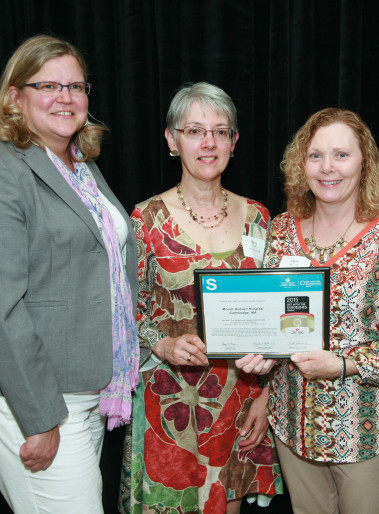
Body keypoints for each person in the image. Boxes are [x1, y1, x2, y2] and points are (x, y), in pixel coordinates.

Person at [0, 34, 139, 512]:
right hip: (29, 392)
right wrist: (38, 417)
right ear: (15, 96)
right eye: (48, 85)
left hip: (84, 384)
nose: (66, 97)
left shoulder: (79, 167)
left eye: (76, 86)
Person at [241, 107, 379, 513]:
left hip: (363, 436)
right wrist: (261, 360)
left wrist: (342, 365)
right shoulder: (281, 230)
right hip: (292, 428)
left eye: (342, 155)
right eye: (316, 155)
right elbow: (273, 322)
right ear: (300, 163)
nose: (328, 168)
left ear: (365, 163)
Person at [119, 82, 282, 514]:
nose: (208, 143)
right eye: (194, 131)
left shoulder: (261, 218)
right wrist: (164, 343)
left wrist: (265, 397)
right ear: (172, 140)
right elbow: (123, 313)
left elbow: (279, 318)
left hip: (242, 401)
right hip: (172, 409)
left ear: (234, 141)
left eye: (220, 131)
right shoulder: (144, 219)